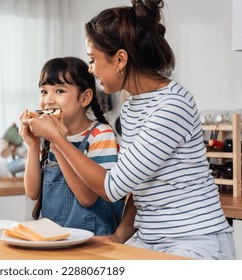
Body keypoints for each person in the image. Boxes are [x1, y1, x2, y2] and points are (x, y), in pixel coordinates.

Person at [23, 0, 236, 259]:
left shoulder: (172, 105)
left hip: (193, 239)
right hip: (149, 239)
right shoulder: (132, 106)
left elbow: (113, 186)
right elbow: (138, 183)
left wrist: (57, 137)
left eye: (93, 60)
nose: (91, 69)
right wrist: (119, 237)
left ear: (120, 59)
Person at [19, 57, 125, 236]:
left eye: (59, 91)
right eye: (44, 91)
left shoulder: (100, 134)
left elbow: (87, 199)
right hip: (55, 238)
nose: (48, 100)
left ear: (85, 98)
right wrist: (33, 145)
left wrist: (58, 142)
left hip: (93, 241)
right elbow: (32, 192)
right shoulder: (47, 136)